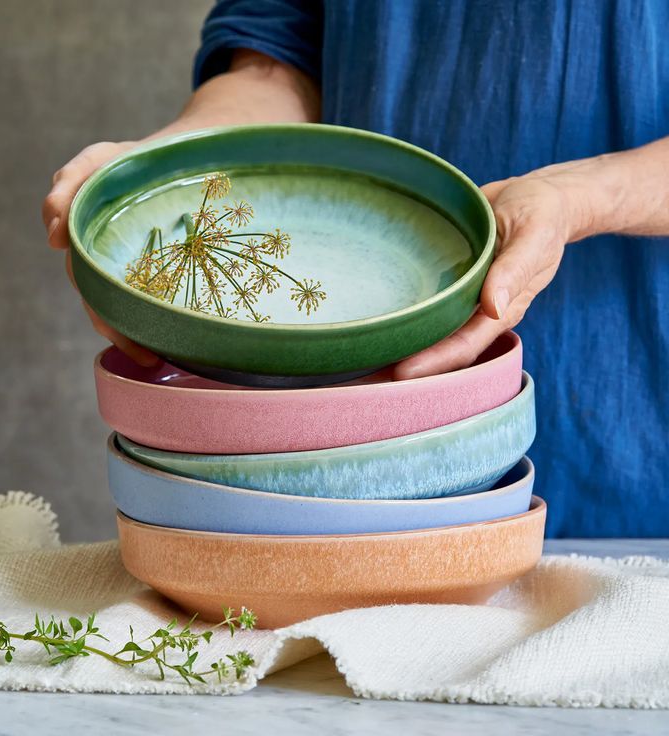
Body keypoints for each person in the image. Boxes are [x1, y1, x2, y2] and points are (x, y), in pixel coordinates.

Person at [42, 1, 669, 537]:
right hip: (336, 424)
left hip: (629, 415)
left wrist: (578, 197)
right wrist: (174, 166)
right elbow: (275, 51)